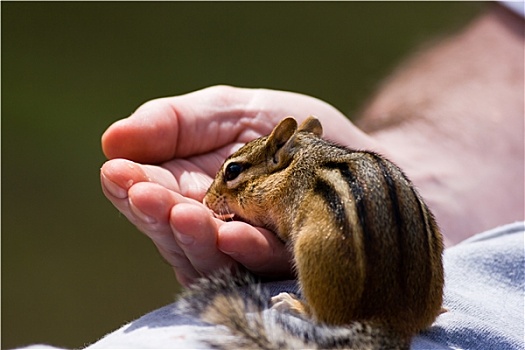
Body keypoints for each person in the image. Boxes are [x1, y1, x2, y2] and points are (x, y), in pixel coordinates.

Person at [23, 3, 522, 349]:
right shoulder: (339, 171)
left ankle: (323, 314)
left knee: (315, 244)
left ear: (281, 162)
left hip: (369, 320)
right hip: (431, 311)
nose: (223, 192)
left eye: (234, 177)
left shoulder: (297, 188)